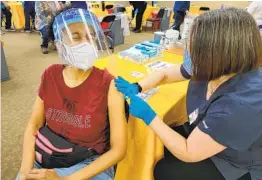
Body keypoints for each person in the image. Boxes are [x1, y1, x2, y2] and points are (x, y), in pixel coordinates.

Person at [115, 8, 262, 180]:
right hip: (206, 135)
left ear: (215, 55)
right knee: (157, 143)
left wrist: (149, 116)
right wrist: (138, 86)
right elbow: (166, 74)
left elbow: (188, 151)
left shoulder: (240, 105)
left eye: (192, 49)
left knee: (164, 170)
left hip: (234, 163)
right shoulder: (212, 68)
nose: (187, 53)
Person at [16, 8, 127, 180]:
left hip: (89, 162)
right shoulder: (50, 75)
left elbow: (118, 149)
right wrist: (24, 171)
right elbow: (34, 125)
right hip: (49, 153)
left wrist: (64, 179)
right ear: (60, 44)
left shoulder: (109, 83)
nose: (86, 43)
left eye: (91, 36)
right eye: (76, 37)